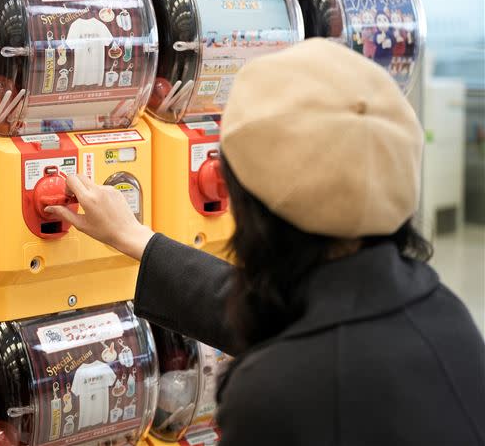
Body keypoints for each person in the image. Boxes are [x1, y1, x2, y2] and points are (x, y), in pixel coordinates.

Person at [45, 39, 485, 446]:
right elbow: (288, 314)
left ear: (253, 207)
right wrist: (134, 237)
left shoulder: (275, 396)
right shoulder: (446, 315)